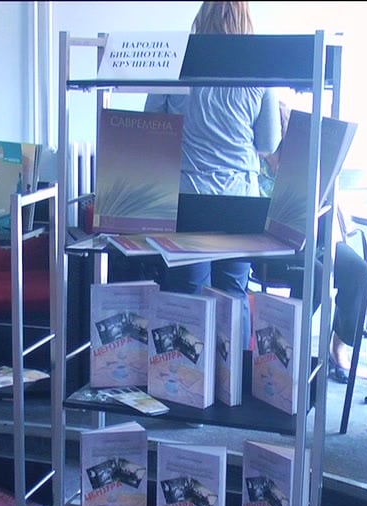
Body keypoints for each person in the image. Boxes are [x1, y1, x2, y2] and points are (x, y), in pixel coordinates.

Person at [144, 1, 283, 348]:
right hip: (241, 200)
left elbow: (152, 125)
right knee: (234, 294)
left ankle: (187, 376)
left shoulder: (177, 60)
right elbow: (268, 143)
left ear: (202, 15)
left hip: (187, 197)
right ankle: (235, 376)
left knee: (188, 296)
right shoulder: (261, 65)